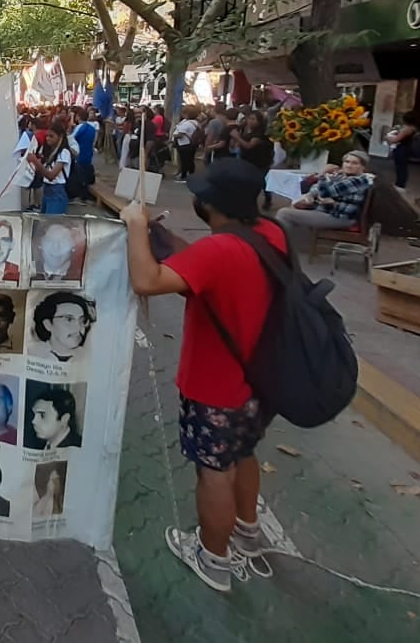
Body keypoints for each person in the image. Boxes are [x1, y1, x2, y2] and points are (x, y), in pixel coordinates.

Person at [121, 157, 285, 593]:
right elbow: (198, 264)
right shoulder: (271, 235)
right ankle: (248, 532)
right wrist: (162, 237)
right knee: (244, 452)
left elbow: (146, 280)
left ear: (212, 204)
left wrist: (136, 226)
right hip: (261, 380)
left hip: (215, 386)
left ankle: (213, 558)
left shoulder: (220, 252)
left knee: (214, 470)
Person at [276, 150, 373, 234]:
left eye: (354, 163)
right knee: (296, 204)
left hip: (340, 217)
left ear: (362, 167)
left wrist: (322, 173)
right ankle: (285, 243)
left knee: (284, 213)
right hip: (327, 210)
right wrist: (310, 195)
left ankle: (279, 246)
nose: (349, 165)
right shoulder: (342, 176)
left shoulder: (357, 181)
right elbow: (317, 187)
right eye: (347, 162)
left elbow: (324, 192)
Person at [29, 292, 95, 363]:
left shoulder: (88, 356)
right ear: (48, 324)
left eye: (82, 321)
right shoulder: (32, 353)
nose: (78, 327)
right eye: (69, 319)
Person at [27, 122, 71, 215]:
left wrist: (36, 161)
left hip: (57, 192)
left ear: (60, 136)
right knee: (45, 223)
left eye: (51, 136)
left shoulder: (64, 152)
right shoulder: (50, 152)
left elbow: (51, 175)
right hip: (47, 190)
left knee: (52, 224)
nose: (48, 139)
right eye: (47, 136)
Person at [233, 112, 275, 210]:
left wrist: (237, 138)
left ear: (259, 122)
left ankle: (253, 204)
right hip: (248, 161)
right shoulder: (246, 130)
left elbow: (249, 146)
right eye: (249, 118)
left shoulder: (260, 134)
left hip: (259, 162)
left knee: (258, 183)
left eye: (253, 119)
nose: (250, 121)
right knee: (257, 182)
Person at [26, 384, 83, 450]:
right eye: (34, 414)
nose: (34, 421)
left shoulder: (77, 448)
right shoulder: (36, 442)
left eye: (42, 415)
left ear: (64, 419)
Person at [386, 112, 417, 189]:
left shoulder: (407, 129)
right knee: (402, 167)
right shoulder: (412, 128)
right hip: (405, 148)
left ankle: (400, 184)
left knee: (400, 167)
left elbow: (396, 139)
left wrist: (388, 137)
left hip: (402, 149)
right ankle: (400, 183)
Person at [173, 112, 200, 181]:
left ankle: (184, 176)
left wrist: (174, 135)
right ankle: (191, 174)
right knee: (190, 160)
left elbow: (180, 134)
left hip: (184, 143)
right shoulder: (195, 122)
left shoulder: (187, 123)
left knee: (184, 160)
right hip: (192, 144)